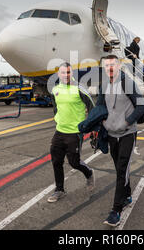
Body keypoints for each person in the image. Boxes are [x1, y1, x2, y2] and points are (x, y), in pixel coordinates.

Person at [96, 54, 144, 227]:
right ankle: (128, 195)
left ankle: (116, 210)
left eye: (112, 65)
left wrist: (127, 122)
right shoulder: (103, 86)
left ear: (118, 66)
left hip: (127, 133)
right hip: (111, 134)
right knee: (119, 169)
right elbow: (99, 107)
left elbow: (141, 106)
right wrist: (102, 122)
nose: (109, 68)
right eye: (106, 65)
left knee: (122, 168)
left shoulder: (128, 83)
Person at [47, 63, 96, 203]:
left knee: (74, 163)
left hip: (75, 132)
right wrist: (58, 121)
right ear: (58, 74)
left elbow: (92, 107)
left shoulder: (79, 88)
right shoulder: (55, 89)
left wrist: (91, 127)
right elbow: (56, 108)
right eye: (63, 72)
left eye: (68, 72)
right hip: (59, 131)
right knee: (56, 161)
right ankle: (59, 190)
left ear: (71, 73)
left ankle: (89, 173)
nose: (66, 75)